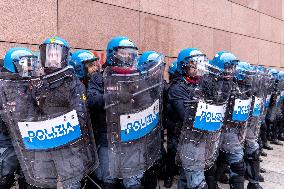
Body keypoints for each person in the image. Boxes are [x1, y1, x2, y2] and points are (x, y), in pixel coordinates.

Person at [0, 36, 98, 189]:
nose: (52, 59)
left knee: (71, 183)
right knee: (42, 182)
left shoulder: (72, 82)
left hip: (66, 142)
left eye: (56, 54)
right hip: (41, 143)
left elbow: (80, 114)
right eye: (48, 54)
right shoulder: (38, 82)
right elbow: (31, 111)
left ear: (65, 56)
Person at [88, 36, 163, 189]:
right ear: (112, 54)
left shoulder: (136, 78)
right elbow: (91, 101)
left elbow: (147, 103)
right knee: (108, 179)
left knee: (132, 181)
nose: (128, 56)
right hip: (107, 138)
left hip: (132, 136)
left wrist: (134, 101)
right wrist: (113, 97)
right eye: (124, 53)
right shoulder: (99, 78)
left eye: (131, 53)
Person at [213, 56, 252, 189]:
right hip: (212, 130)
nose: (230, 71)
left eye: (232, 68)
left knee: (236, 162)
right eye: (227, 67)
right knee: (212, 163)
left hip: (229, 129)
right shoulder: (211, 82)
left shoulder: (234, 83)